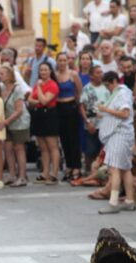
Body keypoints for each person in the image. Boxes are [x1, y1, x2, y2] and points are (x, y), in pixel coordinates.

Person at [97, 71, 136, 215]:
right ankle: (129, 201)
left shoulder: (122, 93)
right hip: (119, 134)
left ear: (114, 81)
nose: (108, 89)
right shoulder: (118, 93)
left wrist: (106, 109)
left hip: (119, 134)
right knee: (125, 168)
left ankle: (113, 202)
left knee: (114, 168)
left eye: (108, 85)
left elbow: (124, 113)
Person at [28, 62, 61, 184]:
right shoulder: (37, 84)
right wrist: (38, 101)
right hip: (38, 115)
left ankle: (54, 173)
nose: (43, 72)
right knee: (43, 147)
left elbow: (45, 101)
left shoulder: (52, 85)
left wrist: (40, 90)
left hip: (49, 115)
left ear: (50, 71)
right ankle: (45, 173)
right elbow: (30, 99)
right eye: (41, 70)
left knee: (52, 146)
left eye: (45, 70)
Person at [0, 63, 30, 187]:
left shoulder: (17, 89)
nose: (0, 76)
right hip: (7, 123)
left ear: (9, 75)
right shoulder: (1, 88)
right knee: (7, 148)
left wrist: (6, 121)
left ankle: (22, 176)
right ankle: (12, 174)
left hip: (19, 123)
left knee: (19, 148)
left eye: (2, 73)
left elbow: (19, 110)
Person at [55, 52, 83, 181]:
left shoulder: (73, 74)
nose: (62, 63)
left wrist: (78, 105)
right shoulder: (54, 75)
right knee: (64, 139)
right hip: (59, 108)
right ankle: (69, 166)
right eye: (59, 60)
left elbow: (79, 91)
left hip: (71, 106)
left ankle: (77, 166)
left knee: (73, 139)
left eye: (64, 60)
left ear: (68, 61)